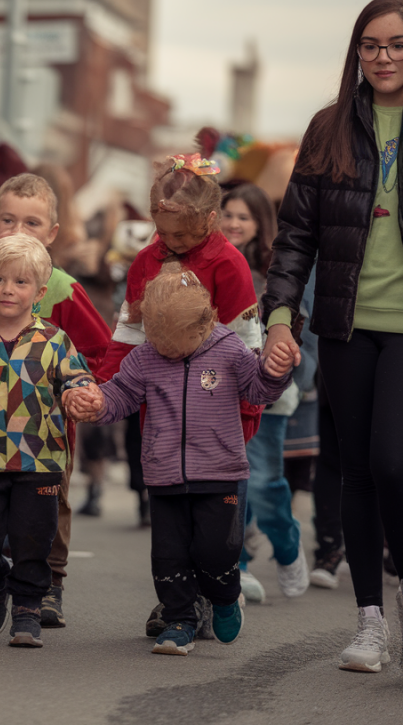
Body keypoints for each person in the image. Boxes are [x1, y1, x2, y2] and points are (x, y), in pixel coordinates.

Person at [260, 0, 403, 673]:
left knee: (391, 462)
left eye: (397, 44)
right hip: (345, 326)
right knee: (356, 471)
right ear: (356, 53)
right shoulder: (329, 129)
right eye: (371, 45)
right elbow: (296, 236)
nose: (384, 56)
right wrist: (280, 318)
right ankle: (371, 620)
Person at [66, 266, 294, 655]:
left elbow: (257, 390)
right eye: (157, 339)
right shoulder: (144, 357)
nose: (166, 349)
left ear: (204, 324)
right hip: (164, 476)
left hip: (220, 474)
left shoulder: (229, 349)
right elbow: (121, 395)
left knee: (216, 552)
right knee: (168, 558)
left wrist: (275, 372)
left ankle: (225, 597)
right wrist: (97, 402)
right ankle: (179, 620)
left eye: (175, 342)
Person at [97, 153, 263, 639]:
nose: (172, 243)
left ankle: (212, 594)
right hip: (164, 406)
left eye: (184, 236)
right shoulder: (146, 261)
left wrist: (248, 410)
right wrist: (103, 387)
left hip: (219, 411)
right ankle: (179, 603)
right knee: (171, 521)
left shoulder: (229, 264)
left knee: (212, 524)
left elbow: (247, 344)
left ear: (210, 220)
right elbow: (129, 332)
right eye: (164, 232)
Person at [0, 173, 111, 630]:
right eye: (8, 220)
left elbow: (96, 353)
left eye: (32, 222)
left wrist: (79, 392)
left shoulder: (61, 288)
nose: (18, 230)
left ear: (52, 232)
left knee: (41, 519)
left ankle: (46, 587)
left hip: (44, 435)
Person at [220, 183, 311, 603]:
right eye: (228, 214)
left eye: (244, 216)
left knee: (262, 483)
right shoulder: (211, 263)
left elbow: (299, 329)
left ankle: (288, 545)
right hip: (222, 395)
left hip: (271, 397)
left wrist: (293, 376)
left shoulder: (276, 271)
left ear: (261, 223)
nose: (234, 223)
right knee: (230, 483)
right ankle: (235, 567)